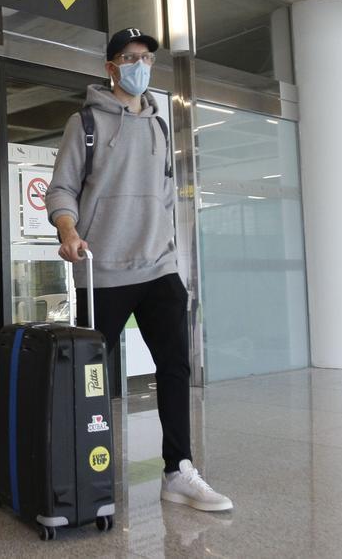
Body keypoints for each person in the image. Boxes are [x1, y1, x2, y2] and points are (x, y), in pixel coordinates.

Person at [46, 28, 233, 512]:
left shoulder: (160, 123)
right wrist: (69, 233)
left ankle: (178, 470)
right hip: (102, 270)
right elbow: (61, 190)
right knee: (91, 378)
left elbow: (166, 193)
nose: (140, 65)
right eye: (130, 58)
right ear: (111, 67)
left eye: (146, 58)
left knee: (174, 366)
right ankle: (82, 464)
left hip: (158, 266)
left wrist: (172, 247)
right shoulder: (84, 122)